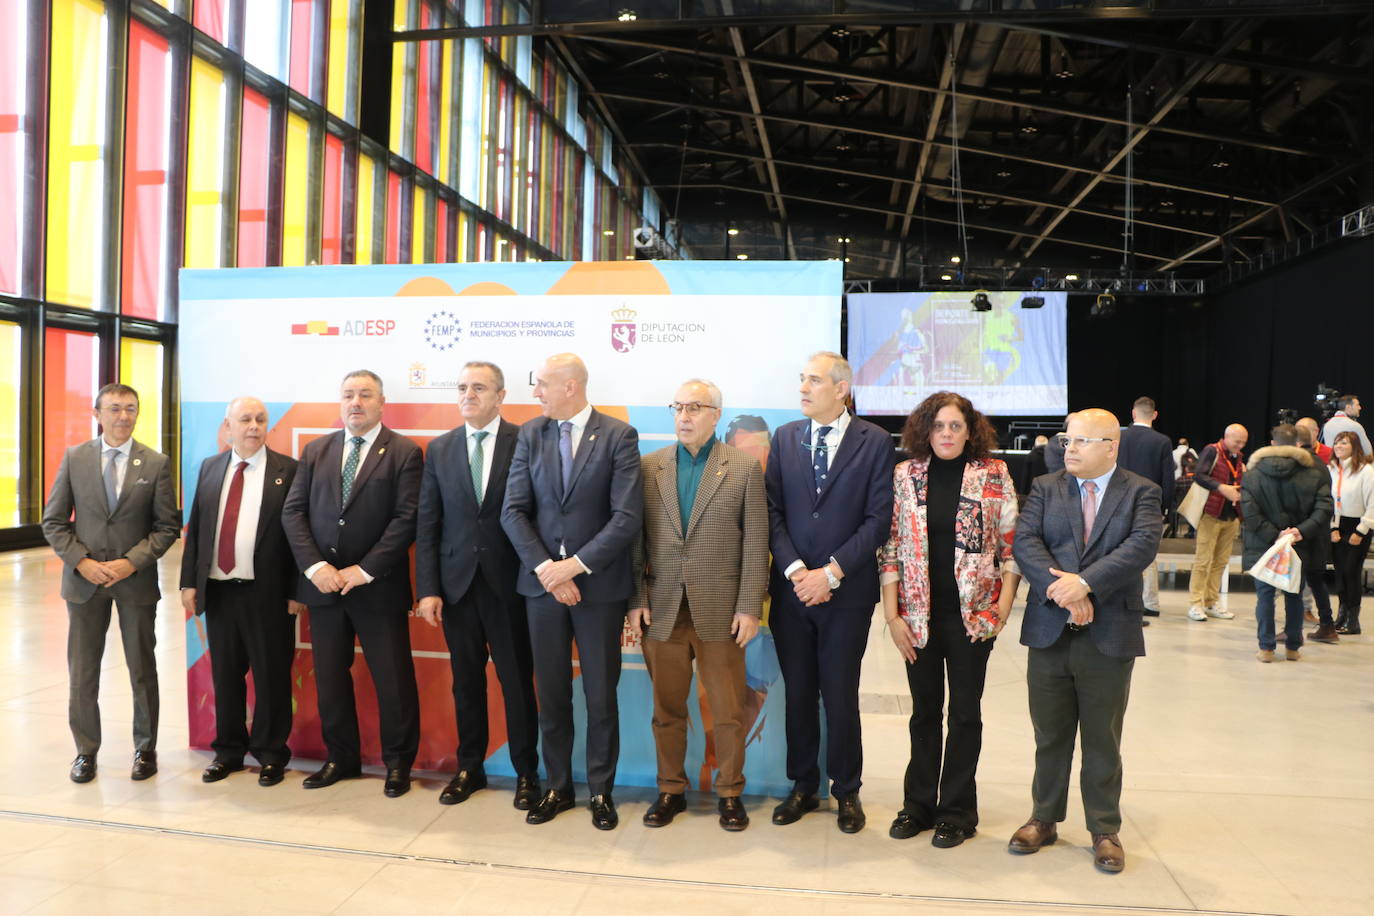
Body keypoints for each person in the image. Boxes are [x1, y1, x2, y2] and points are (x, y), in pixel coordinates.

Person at [1009, 408, 1162, 874]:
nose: (1067, 449)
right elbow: (1026, 542)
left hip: (1110, 631)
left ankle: (1104, 828)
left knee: (1102, 737)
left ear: (1111, 446)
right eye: (1065, 440)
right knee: (1049, 734)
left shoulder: (1142, 492)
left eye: (1079, 441)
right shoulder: (1045, 487)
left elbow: (1140, 546)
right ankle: (1044, 818)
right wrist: (1065, 591)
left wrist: (1087, 584)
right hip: (1050, 628)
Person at [501, 353, 643, 830]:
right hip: (542, 590)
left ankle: (601, 791)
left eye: (541, 384)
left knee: (602, 695)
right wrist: (548, 570)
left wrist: (574, 568)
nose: (535, 393)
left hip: (597, 589)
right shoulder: (530, 434)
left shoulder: (619, 436)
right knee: (553, 694)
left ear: (571, 386)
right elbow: (513, 511)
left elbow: (625, 518)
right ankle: (558, 786)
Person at [879, 392, 1020, 848]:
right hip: (918, 618)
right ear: (925, 430)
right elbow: (891, 546)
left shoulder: (993, 475)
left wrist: (1002, 608)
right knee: (923, 714)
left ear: (970, 430)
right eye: (938, 426)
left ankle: (957, 812)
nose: (946, 434)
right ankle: (917, 806)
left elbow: (1012, 545)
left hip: (973, 617)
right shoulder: (907, 474)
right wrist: (892, 614)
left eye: (955, 426)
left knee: (964, 715)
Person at [765, 351, 895, 834]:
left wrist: (831, 573)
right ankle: (802, 786)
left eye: (814, 380)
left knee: (840, 696)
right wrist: (799, 571)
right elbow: (772, 512)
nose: (803, 388)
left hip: (847, 594)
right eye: (801, 379)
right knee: (798, 694)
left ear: (842, 389)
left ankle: (846, 790)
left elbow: (878, 519)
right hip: (794, 592)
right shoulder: (785, 438)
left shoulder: (875, 442)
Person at [630, 379, 767, 832]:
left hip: (722, 612)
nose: (684, 416)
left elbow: (756, 544)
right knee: (666, 710)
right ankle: (670, 790)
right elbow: (637, 543)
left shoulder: (744, 468)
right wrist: (636, 600)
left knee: (727, 711)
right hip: (662, 610)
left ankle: (730, 793)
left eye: (695, 407)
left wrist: (750, 607)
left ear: (716, 415)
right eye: (678, 407)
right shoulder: (649, 468)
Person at [281, 370, 424, 797]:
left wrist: (362, 570)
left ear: (382, 402)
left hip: (376, 588)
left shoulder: (404, 452)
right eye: (348, 395)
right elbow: (293, 513)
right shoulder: (317, 450)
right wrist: (315, 568)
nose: (355, 402)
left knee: (392, 679)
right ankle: (339, 759)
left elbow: (406, 519)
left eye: (365, 394)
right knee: (329, 678)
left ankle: (398, 765)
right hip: (323, 588)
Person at [415, 362, 540, 811]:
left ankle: (527, 773)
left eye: (479, 387)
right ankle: (470, 768)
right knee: (465, 682)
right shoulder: (442, 448)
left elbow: (537, 512)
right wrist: (427, 588)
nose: (469, 394)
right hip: (456, 588)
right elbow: (428, 523)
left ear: (501, 396)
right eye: (463, 387)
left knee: (516, 683)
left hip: (510, 586)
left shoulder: (526, 440)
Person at [41, 383, 180, 784]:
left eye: (131, 409)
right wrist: (81, 562)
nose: (123, 416)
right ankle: (85, 752)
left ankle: (145, 748)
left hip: (133, 582)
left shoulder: (155, 463)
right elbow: (53, 521)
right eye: (115, 409)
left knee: (142, 668)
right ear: (96, 413)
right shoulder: (75, 458)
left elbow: (166, 527)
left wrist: (129, 563)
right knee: (83, 670)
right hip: (84, 584)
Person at [180, 397, 302, 786]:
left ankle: (270, 754)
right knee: (225, 677)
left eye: (260, 419)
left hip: (268, 593)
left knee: (271, 676)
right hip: (219, 591)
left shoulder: (290, 470)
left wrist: (298, 590)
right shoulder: (212, 467)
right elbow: (196, 529)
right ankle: (228, 751)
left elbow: (301, 536)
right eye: (245, 419)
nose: (253, 425)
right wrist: (188, 581)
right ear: (228, 426)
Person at [1241, 424, 1332, 662]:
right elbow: (1324, 507)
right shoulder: (1315, 471)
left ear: (1272, 444)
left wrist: (1274, 535)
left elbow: (1249, 512)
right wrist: (1300, 531)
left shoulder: (1252, 473)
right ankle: (1292, 647)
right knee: (1294, 594)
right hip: (1299, 545)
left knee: (1265, 596)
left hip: (1263, 545)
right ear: (1298, 444)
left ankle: (1266, 649)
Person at [1116, 397, 1174, 619]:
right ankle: (1149, 602)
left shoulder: (1120, 437)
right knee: (1147, 553)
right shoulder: (1162, 441)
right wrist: (1165, 508)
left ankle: (1122, 598)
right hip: (1150, 505)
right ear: (1155, 415)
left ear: (1133, 413)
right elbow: (1168, 478)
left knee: (1118, 549)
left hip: (1119, 502)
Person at [1188, 424, 1248, 622]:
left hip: (1231, 516)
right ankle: (1195, 603)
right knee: (1203, 561)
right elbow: (1199, 476)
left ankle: (1211, 601)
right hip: (1211, 514)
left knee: (1221, 562)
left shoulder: (1238, 457)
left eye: (1243, 443)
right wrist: (1221, 487)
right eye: (1237, 441)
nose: (1240, 446)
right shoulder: (1212, 451)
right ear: (1226, 437)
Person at [1327, 430, 1373, 635]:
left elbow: (1372, 504)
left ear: (1355, 447)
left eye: (1344, 443)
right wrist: (1333, 527)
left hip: (1358, 526)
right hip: (1338, 525)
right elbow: (1330, 501)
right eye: (1337, 443)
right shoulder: (1333, 469)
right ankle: (1342, 614)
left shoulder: (1366, 471)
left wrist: (1361, 531)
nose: (1338, 446)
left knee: (1351, 572)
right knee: (1339, 574)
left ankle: (1353, 620)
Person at [1295, 424, 1338, 643]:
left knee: (1296, 581)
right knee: (1315, 579)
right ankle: (1327, 626)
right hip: (1318, 532)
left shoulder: (1304, 465)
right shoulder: (1322, 464)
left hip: (1304, 532)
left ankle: (1291, 631)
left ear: (1296, 443)